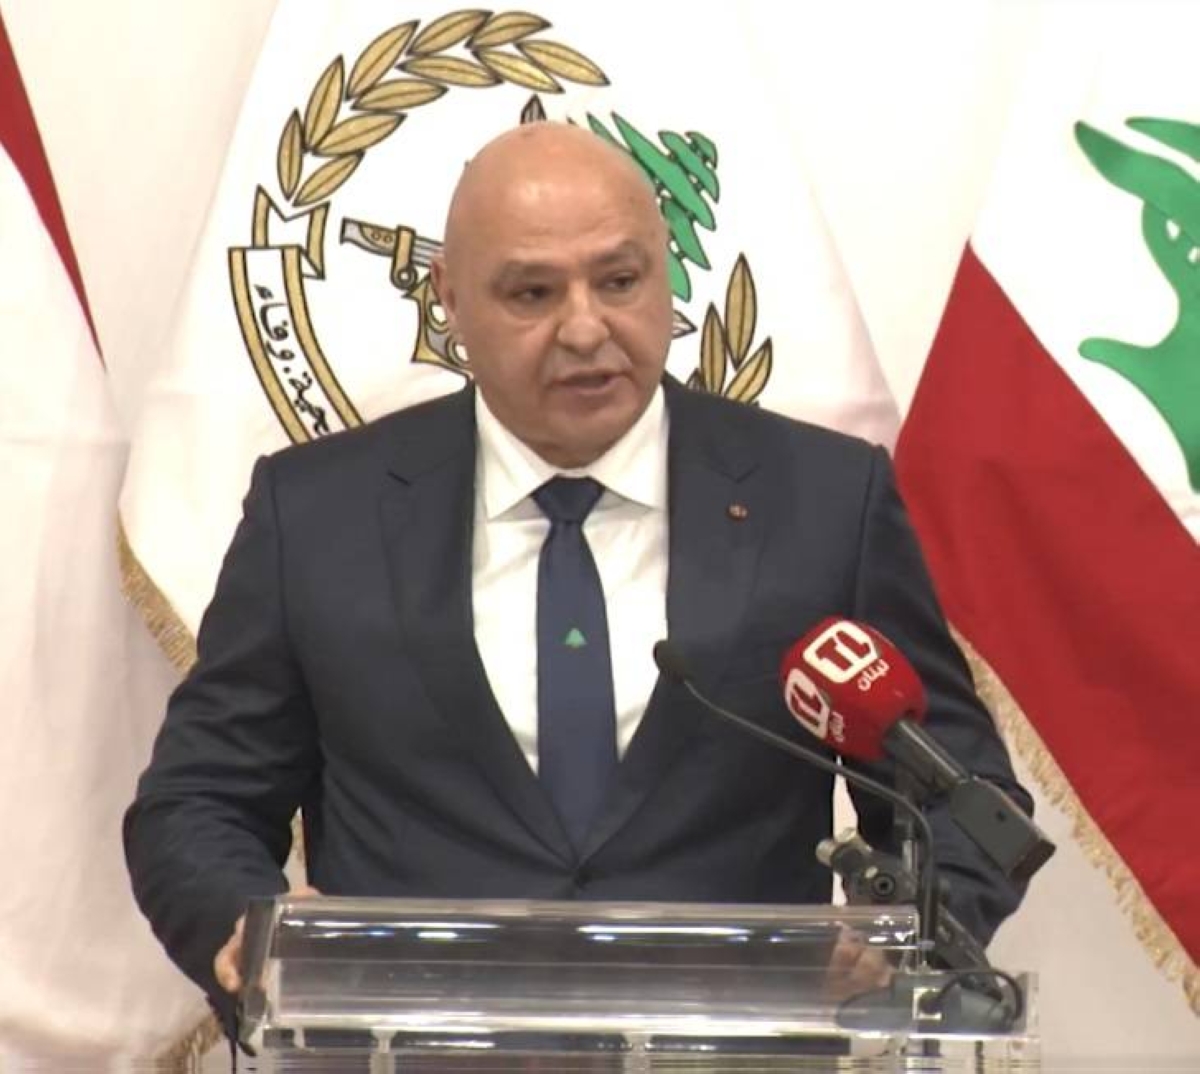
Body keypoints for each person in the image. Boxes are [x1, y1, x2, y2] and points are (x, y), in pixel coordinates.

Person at [124, 122, 1033, 1035]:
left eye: (621, 280)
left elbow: (962, 803)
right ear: (449, 300)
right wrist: (247, 928)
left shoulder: (825, 501)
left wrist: (894, 940)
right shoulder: (318, 514)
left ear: (666, 276)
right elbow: (199, 800)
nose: (587, 328)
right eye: (533, 292)